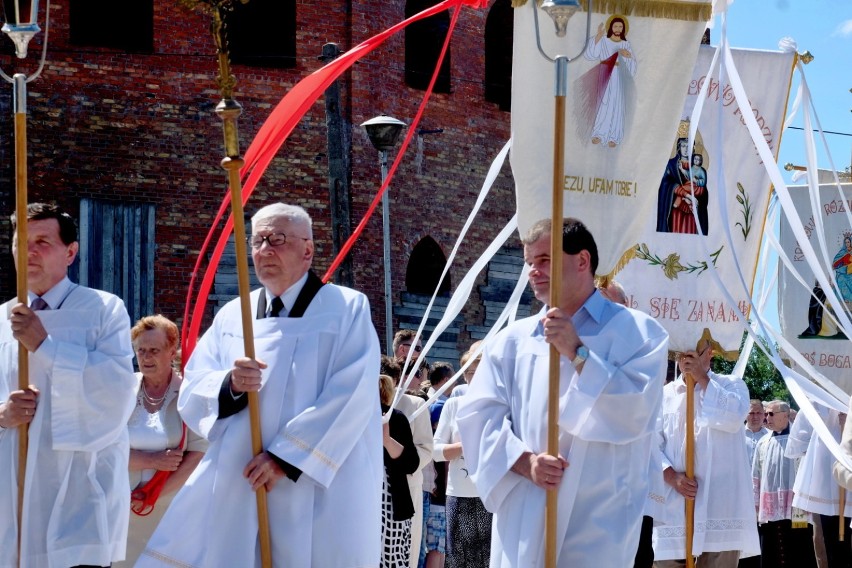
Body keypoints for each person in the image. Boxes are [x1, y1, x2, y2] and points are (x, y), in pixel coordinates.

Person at [138, 203, 383, 567]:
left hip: (314, 481)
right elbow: (194, 385)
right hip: (242, 477)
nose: (265, 250)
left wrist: (285, 456)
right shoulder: (233, 315)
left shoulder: (346, 309)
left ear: (308, 250)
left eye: (278, 239)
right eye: (258, 241)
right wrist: (231, 385)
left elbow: (352, 394)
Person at [457, 218, 669, 566]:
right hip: (526, 507)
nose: (533, 271)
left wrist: (578, 353)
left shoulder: (641, 333)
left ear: (582, 261)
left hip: (602, 513)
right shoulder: (511, 342)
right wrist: (525, 463)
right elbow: (478, 417)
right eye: (529, 263)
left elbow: (636, 411)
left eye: (544, 260)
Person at [0, 202, 137, 567]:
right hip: (10, 492)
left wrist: (45, 347)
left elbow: (116, 390)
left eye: (42, 241)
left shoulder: (104, 310)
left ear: (71, 252)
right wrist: (2, 414)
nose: (29, 251)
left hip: (79, 491)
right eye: (21, 241)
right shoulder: (1, 317)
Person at [653, 345, 760, 566]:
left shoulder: (732, 385)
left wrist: (701, 377)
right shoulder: (663, 395)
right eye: (683, 353)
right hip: (675, 504)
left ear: (709, 353)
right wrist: (672, 476)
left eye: (694, 353)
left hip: (720, 506)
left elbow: (733, 418)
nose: (686, 359)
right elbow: (651, 444)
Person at [117, 315, 207, 567]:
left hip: (170, 506)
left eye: (154, 350)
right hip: (123, 502)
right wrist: (150, 459)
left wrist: (155, 495)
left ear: (172, 350)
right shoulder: (123, 389)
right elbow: (103, 447)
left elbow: (199, 451)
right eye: (140, 350)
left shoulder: (189, 392)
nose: (146, 357)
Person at [434, 347, 492, 568]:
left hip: (491, 494)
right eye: (468, 372)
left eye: (478, 371)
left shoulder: (499, 404)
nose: (472, 377)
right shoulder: (453, 404)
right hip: (458, 493)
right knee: (458, 560)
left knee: (488, 559)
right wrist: (463, 446)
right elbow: (436, 450)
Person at [381, 355, 435, 568]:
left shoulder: (414, 405)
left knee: (405, 553)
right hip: (367, 490)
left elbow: (426, 449)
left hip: (403, 489)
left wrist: (403, 462)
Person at [752, 401, 816, 567]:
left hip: (798, 508)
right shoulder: (763, 442)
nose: (767, 418)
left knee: (800, 549)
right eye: (766, 414)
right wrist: (755, 504)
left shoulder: (800, 440)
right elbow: (756, 475)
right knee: (772, 550)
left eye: (771, 414)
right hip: (770, 508)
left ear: (786, 415)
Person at [788, 404, 849, 568]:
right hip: (821, 481)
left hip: (843, 477)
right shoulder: (816, 402)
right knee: (823, 536)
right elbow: (799, 444)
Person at [379, 374, 421, 567]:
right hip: (357, 501)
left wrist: (386, 440)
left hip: (390, 501)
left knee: (391, 560)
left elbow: (411, 463)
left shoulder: (394, 418)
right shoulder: (348, 417)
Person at [582, 16, 637, 147]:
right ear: (611, 27)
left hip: (618, 77)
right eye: (616, 26)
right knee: (604, 103)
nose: (618, 29)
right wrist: (598, 37)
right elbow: (590, 55)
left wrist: (627, 56)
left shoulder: (625, 44)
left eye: (620, 27)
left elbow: (632, 66)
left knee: (616, 104)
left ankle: (614, 136)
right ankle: (599, 133)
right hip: (605, 73)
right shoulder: (604, 41)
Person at [656, 137, 709, 235]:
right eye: (683, 146)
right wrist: (687, 195)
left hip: (692, 210)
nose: (686, 149)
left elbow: (703, 190)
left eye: (688, 146)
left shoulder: (699, 169)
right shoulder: (671, 165)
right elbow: (666, 185)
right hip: (676, 211)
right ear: (679, 147)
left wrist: (697, 192)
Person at [745, 399, 769, 466]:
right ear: (745, 414)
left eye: (759, 413)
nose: (755, 417)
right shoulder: (737, 435)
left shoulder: (771, 436)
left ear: (764, 414)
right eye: (751, 413)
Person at [832, 237, 852, 307]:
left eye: (848, 242)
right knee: (841, 278)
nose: (847, 244)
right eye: (846, 242)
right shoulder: (842, 252)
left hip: (851, 272)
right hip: (843, 271)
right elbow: (835, 263)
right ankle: (845, 298)